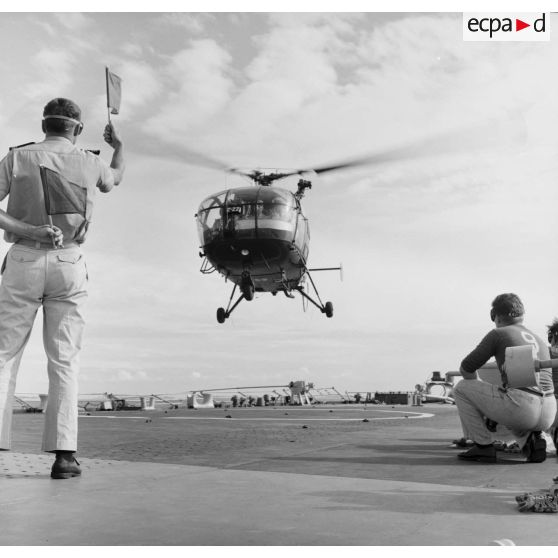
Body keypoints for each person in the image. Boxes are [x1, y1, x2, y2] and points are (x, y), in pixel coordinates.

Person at [0, 98, 125, 479]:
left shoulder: (17, 158)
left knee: (4, 355)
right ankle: (65, 457)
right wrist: (119, 147)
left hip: (22, 259)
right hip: (69, 261)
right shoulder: (90, 162)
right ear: (77, 129)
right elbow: (115, 178)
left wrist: (28, 230)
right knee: (65, 359)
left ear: (44, 125)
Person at [454, 293, 556, 463]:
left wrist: (483, 405)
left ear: (496, 316)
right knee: (511, 400)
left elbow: (466, 367)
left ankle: (483, 446)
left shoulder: (499, 333)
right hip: (549, 412)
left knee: (461, 387)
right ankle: (533, 440)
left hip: (522, 407)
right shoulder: (537, 338)